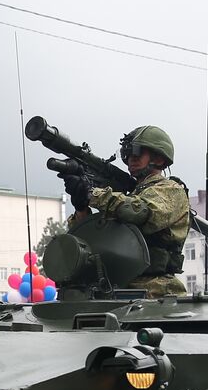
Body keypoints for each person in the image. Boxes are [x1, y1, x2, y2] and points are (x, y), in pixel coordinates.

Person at [65, 125, 191, 298]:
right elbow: (91, 238)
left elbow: (138, 212)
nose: (132, 158)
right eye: (128, 154)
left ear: (159, 159)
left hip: (156, 291)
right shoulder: (127, 197)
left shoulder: (171, 190)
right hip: (111, 287)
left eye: (138, 152)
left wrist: (92, 194)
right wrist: (81, 209)